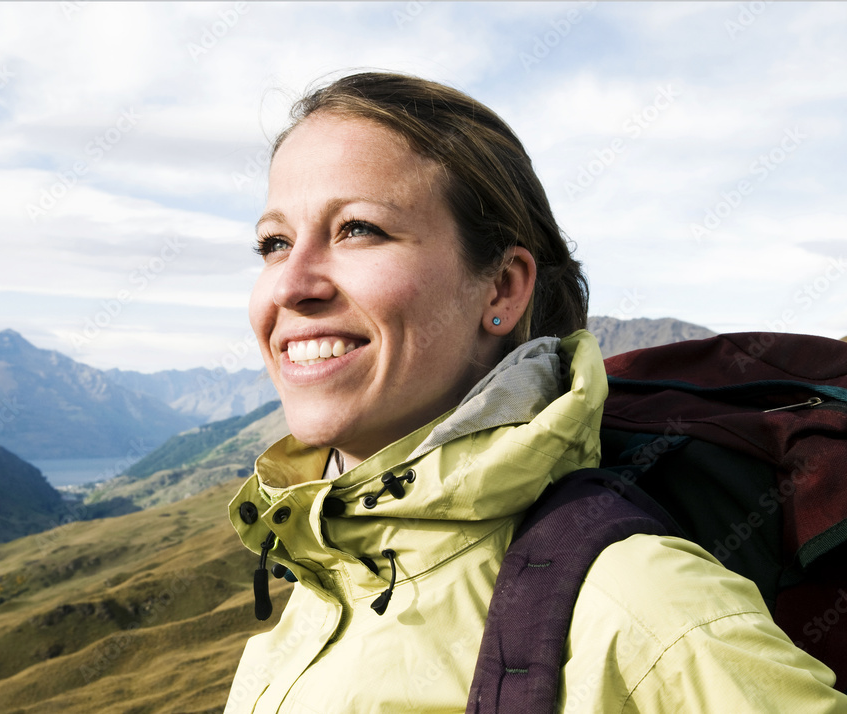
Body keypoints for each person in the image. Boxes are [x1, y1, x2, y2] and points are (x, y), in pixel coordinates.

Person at [224, 72, 846, 713]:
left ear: (501, 289)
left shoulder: (645, 609)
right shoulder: (330, 570)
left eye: (359, 229)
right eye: (274, 243)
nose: (290, 284)